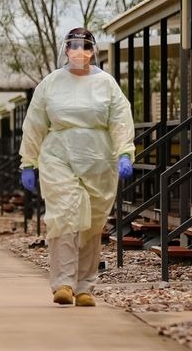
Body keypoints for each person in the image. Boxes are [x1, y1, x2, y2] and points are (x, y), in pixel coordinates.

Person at [18, 27, 134, 307]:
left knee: (91, 225)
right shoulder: (51, 83)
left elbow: (120, 119)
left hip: (98, 160)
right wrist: (28, 161)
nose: (79, 52)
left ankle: (85, 287)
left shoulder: (106, 84)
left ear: (93, 51)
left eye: (85, 47)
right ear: (66, 50)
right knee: (65, 216)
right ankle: (64, 284)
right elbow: (34, 123)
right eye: (74, 46)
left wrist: (125, 152)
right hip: (59, 157)